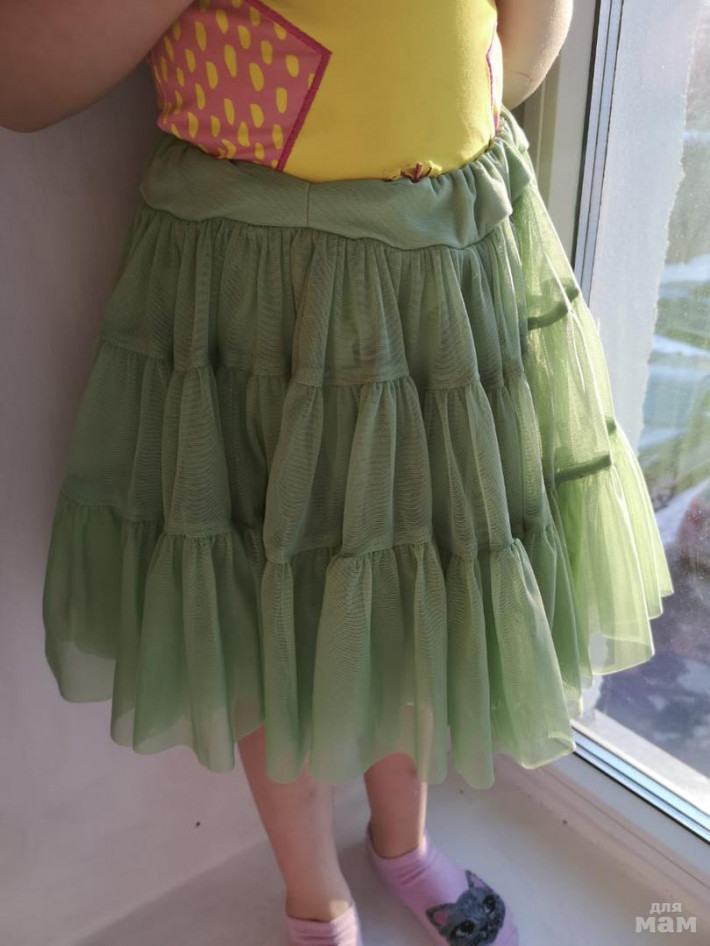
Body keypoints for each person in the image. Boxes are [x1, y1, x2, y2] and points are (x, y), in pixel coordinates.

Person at [1, 2, 674, 944]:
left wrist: (474, 91)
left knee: (417, 587)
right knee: (263, 600)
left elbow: (529, 36)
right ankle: (313, 891)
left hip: (440, 261)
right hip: (260, 285)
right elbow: (24, 81)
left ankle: (404, 841)